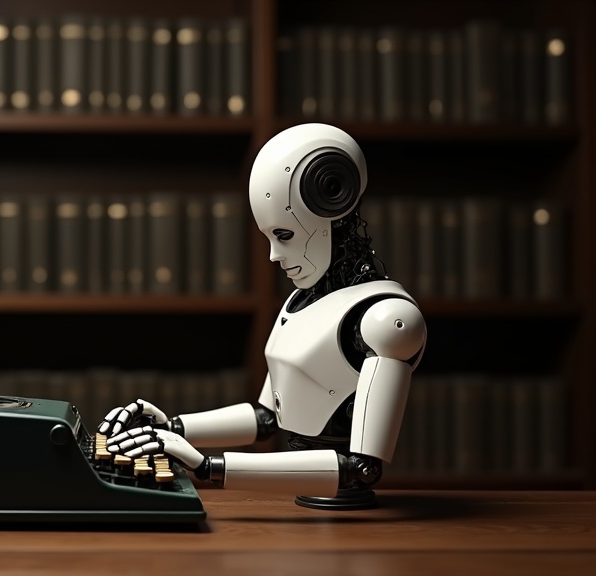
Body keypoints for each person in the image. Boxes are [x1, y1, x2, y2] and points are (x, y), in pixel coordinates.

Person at [100, 123, 427, 509]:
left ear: (331, 197)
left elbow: (361, 468)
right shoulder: (302, 301)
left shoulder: (386, 320)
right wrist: (171, 427)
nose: (273, 255)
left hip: (349, 522)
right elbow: (266, 417)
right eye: (269, 237)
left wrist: (206, 466)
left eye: (284, 235)